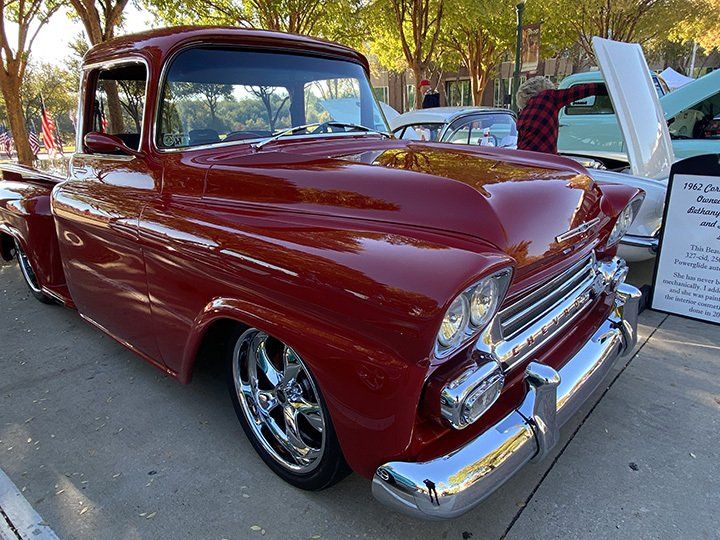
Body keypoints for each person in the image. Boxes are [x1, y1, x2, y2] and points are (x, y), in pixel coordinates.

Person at [516, 76, 607, 154]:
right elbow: (578, 91)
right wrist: (604, 88)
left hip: (524, 157)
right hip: (543, 159)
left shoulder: (523, 114)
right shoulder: (548, 97)